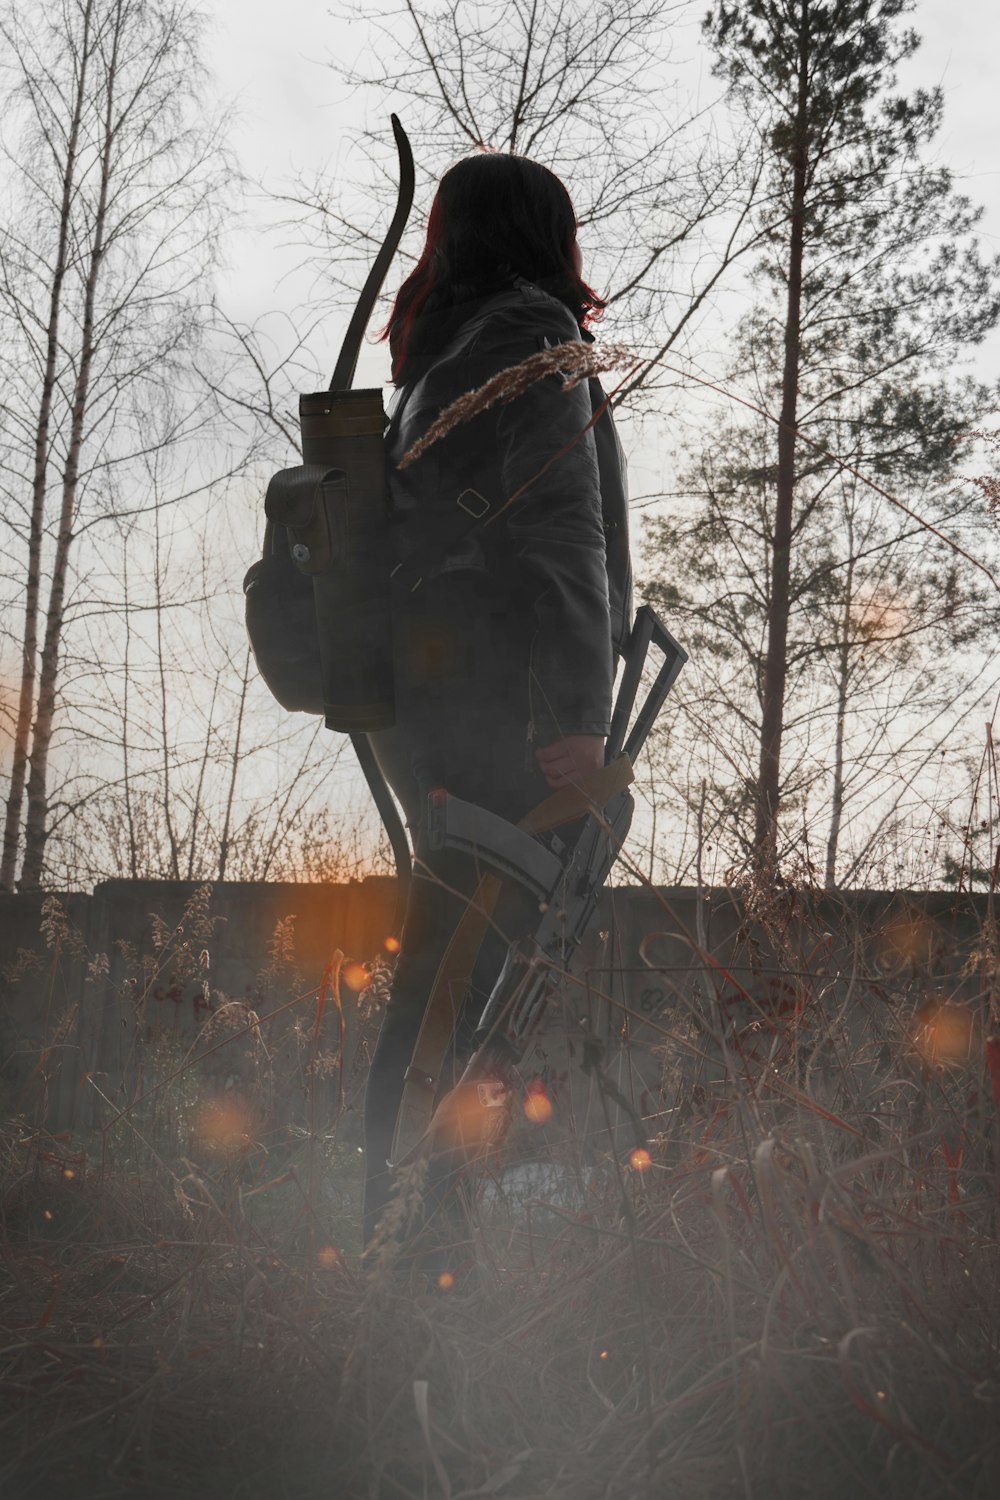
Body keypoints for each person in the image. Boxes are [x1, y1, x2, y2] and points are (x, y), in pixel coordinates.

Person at [362, 150, 633, 1253]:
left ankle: (384, 1235)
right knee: (479, 1003)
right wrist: (580, 706)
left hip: (429, 720)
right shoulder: (530, 335)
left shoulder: (436, 363)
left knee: (439, 989)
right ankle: (430, 1257)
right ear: (543, 237)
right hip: (510, 722)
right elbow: (565, 529)